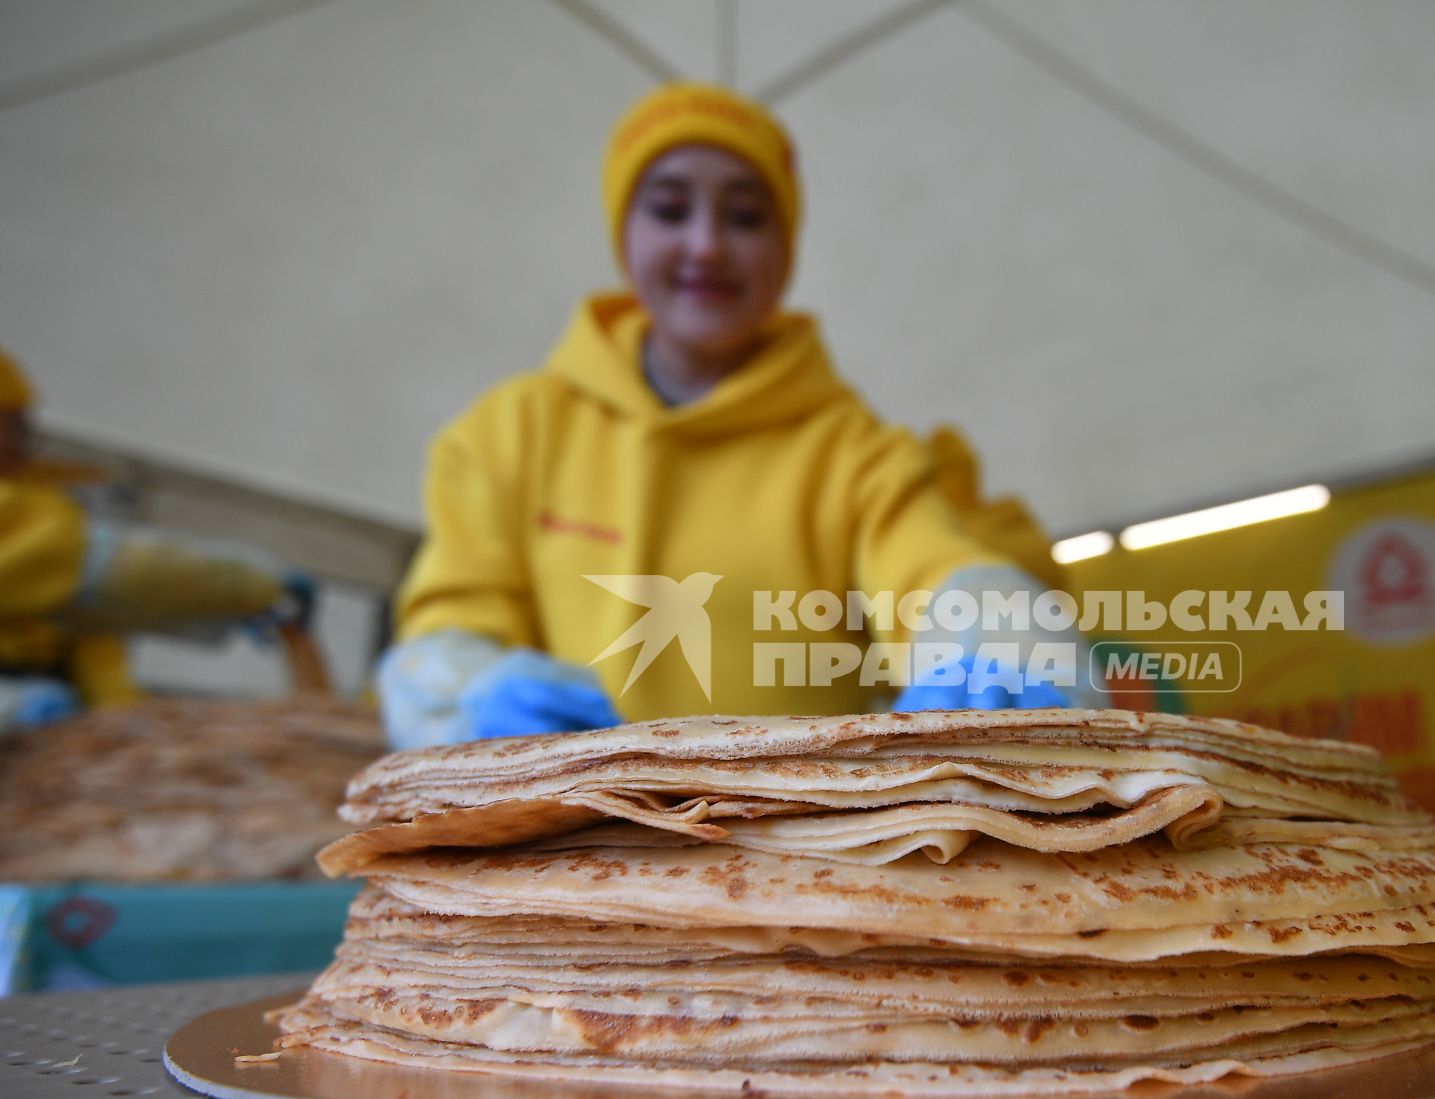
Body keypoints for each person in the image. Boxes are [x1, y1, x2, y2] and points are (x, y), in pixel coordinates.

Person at [378, 82, 1100, 748]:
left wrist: (998, 640)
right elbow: (447, 632)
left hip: (802, 870)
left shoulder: (855, 453)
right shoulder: (510, 434)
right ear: (621, 230)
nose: (706, 245)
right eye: (668, 208)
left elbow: (937, 572)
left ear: (786, 249)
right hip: (560, 859)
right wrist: (471, 693)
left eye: (747, 216)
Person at [0, 348, 310, 731]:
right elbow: (92, 566)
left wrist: (122, 718)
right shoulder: (20, 517)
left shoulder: (38, 494)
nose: (19, 442)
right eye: (9, 425)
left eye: (20, 426)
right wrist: (248, 583)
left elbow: (88, 628)